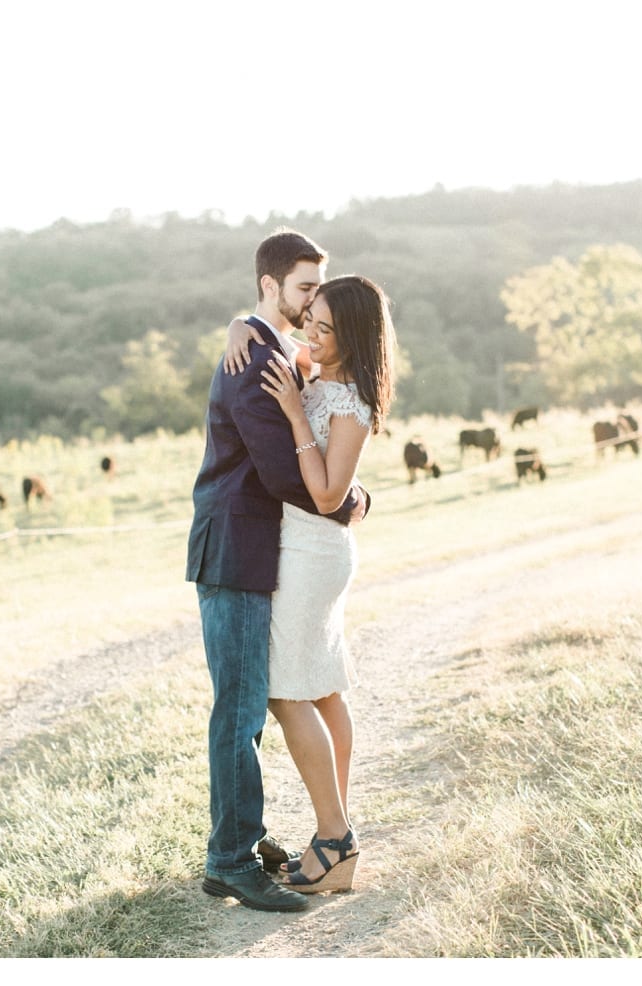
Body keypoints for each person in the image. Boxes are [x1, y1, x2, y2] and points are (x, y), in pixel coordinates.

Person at [186, 229, 371, 912]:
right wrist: (351, 500)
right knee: (245, 711)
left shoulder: (275, 347)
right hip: (239, 550)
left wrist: (246, 322)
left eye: (317, 294)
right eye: (302, 291)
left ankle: (287, 840)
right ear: (270, 286)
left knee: (269, 702)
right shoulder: (256, 358)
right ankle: (234, 859)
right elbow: (286, 476)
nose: (310, 305)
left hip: (276, 552)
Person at [240, 274, 396, 894]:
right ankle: (336, 829)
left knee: (286, 690)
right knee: (325, 687)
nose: (311, 331)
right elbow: (261, 324)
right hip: (302, 546)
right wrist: (237, 327)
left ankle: (334, 838)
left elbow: (329, 492)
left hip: (314, 548)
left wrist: (291, 412)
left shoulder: (350, 397)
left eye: (325, 327)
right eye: (312, 318)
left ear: (352, 335)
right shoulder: (318, 368)